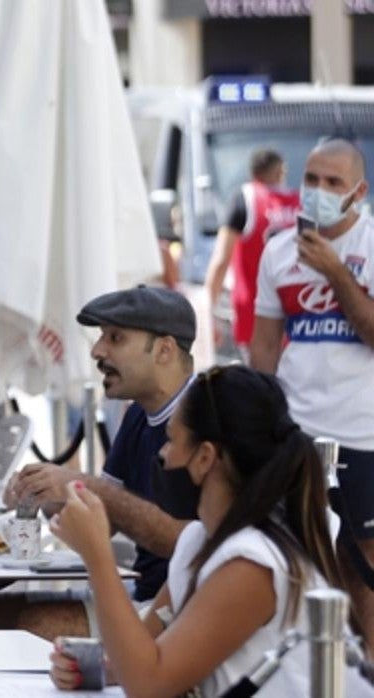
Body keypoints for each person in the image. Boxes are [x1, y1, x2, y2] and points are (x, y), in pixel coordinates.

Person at [48, 365, 369, 697]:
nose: (163, 454)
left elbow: (150, 683)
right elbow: (145, 650)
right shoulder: (202, 541)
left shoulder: (252, 563)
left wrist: (97, 554)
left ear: (204, 457)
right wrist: (91, 667)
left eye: (172, 440)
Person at [0, 286, 202, 637]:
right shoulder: (139, 413)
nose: (96, 350)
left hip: (189, 612)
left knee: (23, 626)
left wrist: (85, 486)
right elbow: (105, 522)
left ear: (165, 350)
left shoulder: (210, 418)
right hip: (148, 595)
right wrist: (44, 491)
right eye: (101, 336)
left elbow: (191, 543)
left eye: (115, 338)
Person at [250, 137, 374, 651]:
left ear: (358, 193)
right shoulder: (279, 251)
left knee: (363, 567)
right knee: (299, 558)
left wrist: (336, 272)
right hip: (297, 435)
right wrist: (266, 424)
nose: (318, 191)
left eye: (333, 183)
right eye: (311, 179)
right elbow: (262, 348)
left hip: (364, 434)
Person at [204, 149, 298, 358]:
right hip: (296, 318)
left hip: (254, 316)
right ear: (280, 171)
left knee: (258, 386)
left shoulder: (244, 199)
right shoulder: (300, 204)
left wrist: (206, 314)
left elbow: (220, 260)